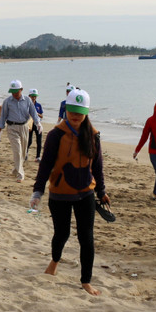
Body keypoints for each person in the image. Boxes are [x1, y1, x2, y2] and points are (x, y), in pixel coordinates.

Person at [30, 89, 109, 296]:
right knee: (62, 233)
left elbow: (98, 167)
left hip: (85, 194)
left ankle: (86, 281)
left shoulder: (93, 135)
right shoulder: (56, 135)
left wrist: (101, 191)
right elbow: (45, 165)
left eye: (79, 112)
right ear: (66, 109)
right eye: (72, 110)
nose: (75, 116)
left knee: (87, 238)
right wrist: (37, 191)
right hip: (60, 194)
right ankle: (54, 261)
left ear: (86, 113)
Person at [0, 80, 41, 182]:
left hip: (24, 127)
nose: (14, 94)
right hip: (12, 128)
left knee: (23, 152)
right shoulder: (7, 102)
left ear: (21, 90)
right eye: (12, 92)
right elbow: (3, 117)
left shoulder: (28, 100)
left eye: (16, 91)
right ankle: (20, 174)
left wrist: (38, 123)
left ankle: (16, 169)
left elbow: (33, 113)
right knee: (17, 150)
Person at [26, 89, 44, 162]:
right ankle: (25, 154)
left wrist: (37, 114)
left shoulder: (38, 105)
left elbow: (41, 116)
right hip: (29, 124)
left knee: (39, 141)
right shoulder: (26, 105)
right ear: (29, 96)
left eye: (35, 96)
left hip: (37, 124)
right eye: (32, 96)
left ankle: (38, 157)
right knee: (29, 141)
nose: (34, 98)